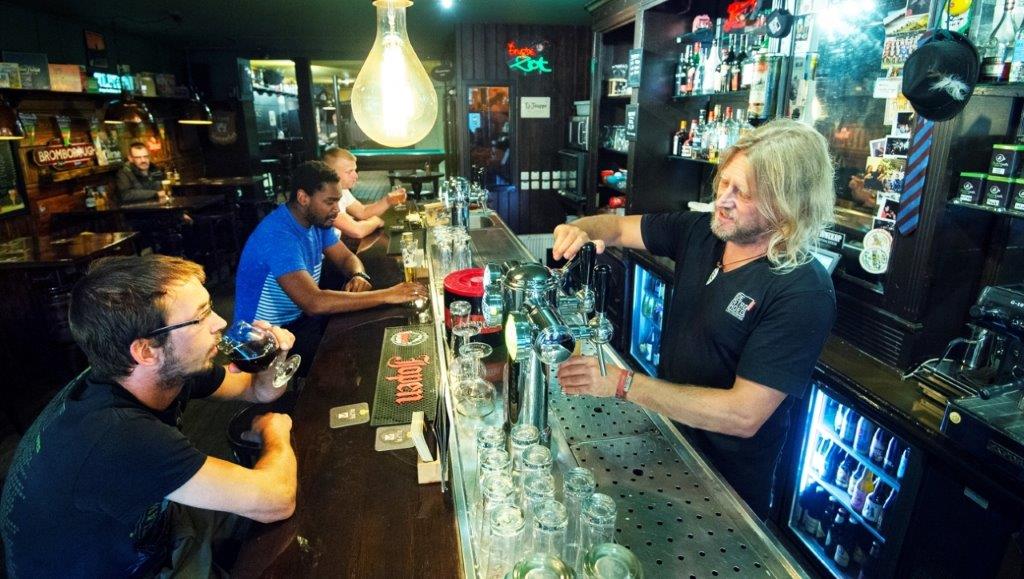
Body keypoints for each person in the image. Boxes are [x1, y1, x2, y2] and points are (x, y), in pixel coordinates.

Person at [551, 119, 837, 518]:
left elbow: (743, 415)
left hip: (727, 490)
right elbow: (615, 226)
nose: (723, 199)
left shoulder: (801, 290)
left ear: (787, 207)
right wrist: (578, 229)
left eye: (743, 193)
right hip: (668, 442)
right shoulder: (704, 231)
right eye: (724, 183)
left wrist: (622, 383)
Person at [0, 255, 298, 577]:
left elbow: (257, 390)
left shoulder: (158, 370)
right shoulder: (118, 435)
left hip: (148, 525)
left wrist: (273, 362)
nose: (220, 322)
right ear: (145, 350)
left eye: (210, 306)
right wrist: (275, 430)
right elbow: (277, 499)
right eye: (201, 317)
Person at [234, 160, 425, 377]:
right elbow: (314, 302)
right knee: (359, 354)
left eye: (338, 201)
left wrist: (358, 274)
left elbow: (346, 258)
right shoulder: (279, 235)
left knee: (366, 330)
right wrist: (388, 295)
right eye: (329, 202)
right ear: (303, 198)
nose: (336, 209)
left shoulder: (317, 221)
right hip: (261, 341)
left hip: (296, 321)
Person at [322, 147, 407, 239]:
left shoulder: (342, 190)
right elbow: (357, 231)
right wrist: (376, 222)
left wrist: (388, 200)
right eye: (349, 171)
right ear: (331, 173)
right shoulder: (324, 199)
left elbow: (362, 212)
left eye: (355, 170)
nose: (356, 175)